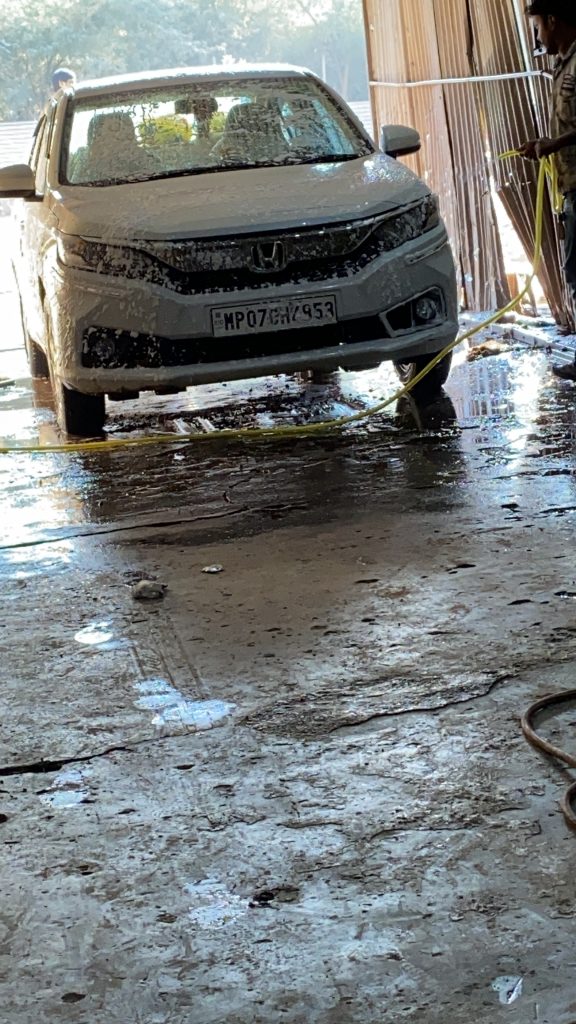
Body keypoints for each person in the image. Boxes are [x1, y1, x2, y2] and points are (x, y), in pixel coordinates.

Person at [520, 2, 576, 378]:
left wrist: (553, 145)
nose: (538, 36)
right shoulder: (562, 65)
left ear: (554, 22)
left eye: (539, 26)